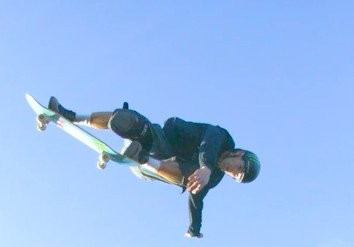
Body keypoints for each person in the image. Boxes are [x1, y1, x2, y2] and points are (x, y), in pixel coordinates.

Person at [38, 96, 260, 238]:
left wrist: (194, 229)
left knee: (191, 181)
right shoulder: (221, 137)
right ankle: (72, 115)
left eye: (235, 177)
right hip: (160, 140)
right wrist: (206, 167)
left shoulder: (212, 178)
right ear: (239, 154)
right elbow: (208, 142)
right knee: (125, 120)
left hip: (156, 166)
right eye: (238, 169)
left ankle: (142, 159)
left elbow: (196, 199)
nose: (232, 173)